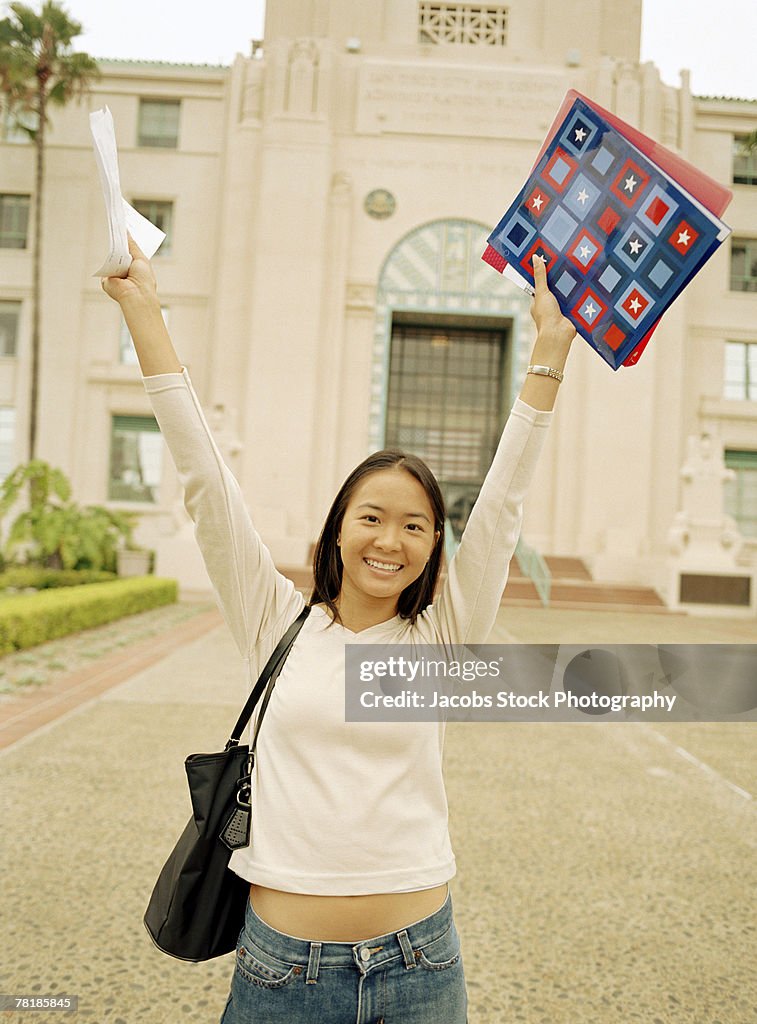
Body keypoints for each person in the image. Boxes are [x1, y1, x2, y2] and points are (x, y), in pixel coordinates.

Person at [102, 237, 574, 1024]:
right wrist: (144, 311)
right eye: (373, 518)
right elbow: (206, 485)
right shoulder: (276, 621)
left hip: (422, 964)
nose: (390, 541)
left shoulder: (442, 638)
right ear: (338, 529)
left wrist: (549, 352)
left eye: (415, 526)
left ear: (433, 546)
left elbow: (502, 506)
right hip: (282, 974)